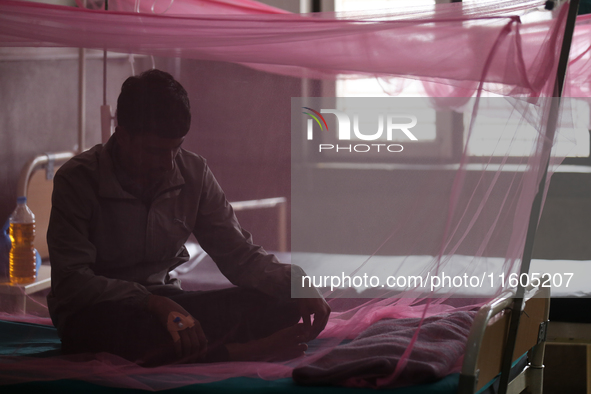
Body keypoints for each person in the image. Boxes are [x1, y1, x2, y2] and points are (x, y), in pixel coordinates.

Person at [47, 69, 330, 366]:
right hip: (102, 312)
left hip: (172, 305)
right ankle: (239, 353)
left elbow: (239, 255)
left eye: (176, 147)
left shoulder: (193, 172)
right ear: (122, 134)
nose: (168, 163)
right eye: (155, 151)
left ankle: (197, 349)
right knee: (95, 332)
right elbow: (72, 282)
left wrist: (293, 280)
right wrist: (151, 302)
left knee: (282, 303)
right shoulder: (77, 179)